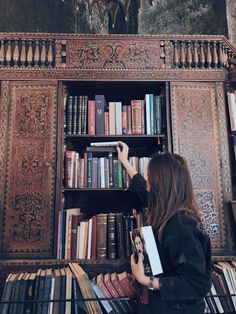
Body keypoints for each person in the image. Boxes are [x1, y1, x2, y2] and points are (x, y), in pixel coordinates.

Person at [117, 141, 212, 314]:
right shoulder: (166, 210)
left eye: (150, 180)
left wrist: (145, 280)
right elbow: (142, 190)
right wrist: (125, 161)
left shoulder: (181, 224)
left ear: (162, 185)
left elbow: (197, 284)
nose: (147, 185)